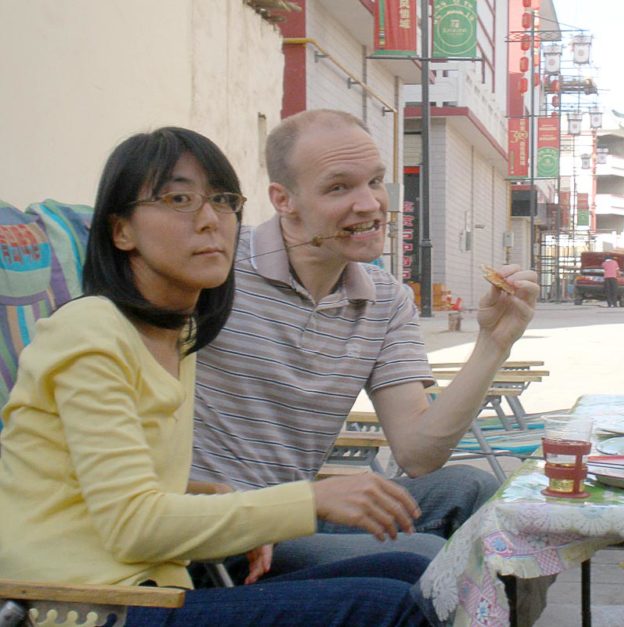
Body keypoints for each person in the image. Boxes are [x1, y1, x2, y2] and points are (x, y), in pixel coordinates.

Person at [0, 127, 431, 626]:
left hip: (156, 589)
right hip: (81, 608)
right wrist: (309, 498)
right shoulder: (91, 330)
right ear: (121, 231)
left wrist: (212, 496)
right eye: (178, 199)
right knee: (385, 607)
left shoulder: (177, 336)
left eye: (223, 201)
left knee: (407, 570)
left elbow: (102, 483)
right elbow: (133, 525)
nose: (210, 221)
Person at [189, 109, 538, 581]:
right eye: (339, 188)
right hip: (218, 535)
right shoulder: (216, 270)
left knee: (477, 491)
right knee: (425, 558)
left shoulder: (386, 300)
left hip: (293, 517)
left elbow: (417, 454)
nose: (370, 204)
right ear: (283, 199)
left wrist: (493, 344)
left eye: (375, 181)